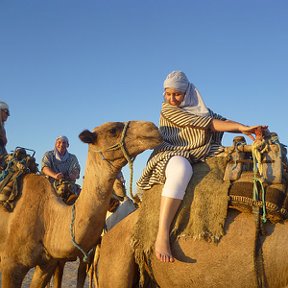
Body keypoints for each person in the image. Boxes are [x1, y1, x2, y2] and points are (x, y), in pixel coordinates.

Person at [136, 71, 267, 263]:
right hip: (172, 152)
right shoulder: (168, 110)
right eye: (168, 94)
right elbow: (207, 124)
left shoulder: (201, 109)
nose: (172, 98)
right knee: (181, 169)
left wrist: (249, 129)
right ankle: (162, 235)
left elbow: (221, 121)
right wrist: (240, 128)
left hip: (200, 151)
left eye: (177, 94)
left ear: (187, 92)